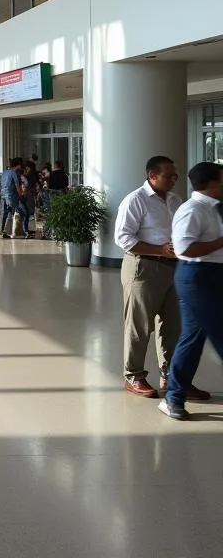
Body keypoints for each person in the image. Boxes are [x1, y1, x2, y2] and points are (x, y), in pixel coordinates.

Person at [114, 155, 208, 400]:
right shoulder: (135, 200)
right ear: (152, 176)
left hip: (175, 268)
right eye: (168, 176)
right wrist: (159, 250)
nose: (174, 179)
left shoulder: (176, 200)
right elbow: (123, 238)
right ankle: (133, 376)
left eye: (175, 175)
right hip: (144, 267)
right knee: (139, 325)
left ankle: (172, 377)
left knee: (173, 326)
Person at [160, 161, 223, 420]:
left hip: (216, 274)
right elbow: (185, 249)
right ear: (212, 183)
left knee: (193, 338)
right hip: (197, 277)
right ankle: (173, 396)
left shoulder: (217, 208)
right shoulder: (192, 209)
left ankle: (173, 396)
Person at [0, 158, 27, 239]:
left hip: (2, 195)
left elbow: (0, 185)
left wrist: (0, 196)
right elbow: (17, 185)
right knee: (23, 212)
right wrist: (20, 195)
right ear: (18, 165)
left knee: (4, 214)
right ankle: (25, 232)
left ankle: (2, 231)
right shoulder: (13, 173)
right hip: (11, 196)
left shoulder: (4, 172)